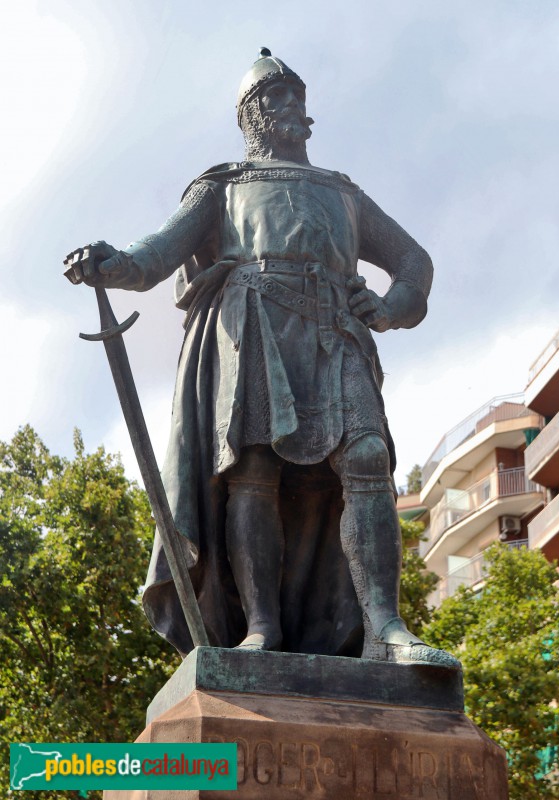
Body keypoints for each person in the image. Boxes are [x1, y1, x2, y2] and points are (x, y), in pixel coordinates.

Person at [65, 49, 457, 667]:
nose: (290, 105)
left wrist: (390, 306)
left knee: (368, 456)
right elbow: (156, 253)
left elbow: (414, 261)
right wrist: (111, 264)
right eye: (273, 97)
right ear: (250, 115)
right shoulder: (221, 186)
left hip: (336, 330)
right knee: (253, 471)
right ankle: (261, 628)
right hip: (252, 332)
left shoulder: (341, 191)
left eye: (296, 94)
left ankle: (386, 628)